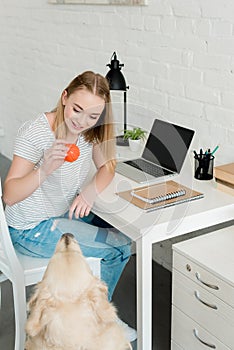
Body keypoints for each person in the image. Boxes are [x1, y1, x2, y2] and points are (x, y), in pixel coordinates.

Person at [3, 71, 136, 342]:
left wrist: (89, 191)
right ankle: (98, 321)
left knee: (122, 232)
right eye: (77, 109)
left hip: (61, 214)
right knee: (119, 249)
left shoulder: (89, 133)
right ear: (64, 97)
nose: (81, 122)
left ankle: (88, 311)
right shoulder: (36, 133)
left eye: (92, 116)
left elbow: (107, 166)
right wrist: (45, 169)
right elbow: (9, 194)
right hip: (30, 228)